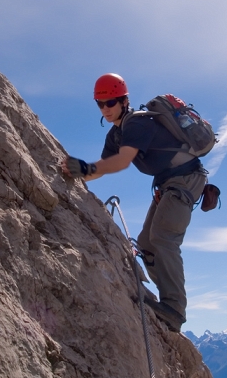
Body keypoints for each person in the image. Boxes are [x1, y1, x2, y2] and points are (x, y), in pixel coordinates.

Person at [62, 73, 206, 332]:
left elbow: (122, 161)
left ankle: (174, 309)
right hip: (169, 184)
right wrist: (77, 173)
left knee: (164, 238)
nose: (106, 109)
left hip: (185, 180)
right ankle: (166, 301)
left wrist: (84, 168)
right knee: (148, 245)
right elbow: (102, 168)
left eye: (111, 102)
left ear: (124, 101)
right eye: (100, 103)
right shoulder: (115, 136)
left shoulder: (137, 124)